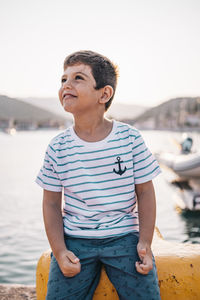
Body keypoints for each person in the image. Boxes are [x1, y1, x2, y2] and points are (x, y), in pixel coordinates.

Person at [36, 50, 161, 300]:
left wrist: (144, 242)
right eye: (63, 80)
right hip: (75, 240)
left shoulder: (130, 139)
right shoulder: (58, 147)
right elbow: (51, 203)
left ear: (104, 94)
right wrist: (59, 251)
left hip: (124, 236)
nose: (66, 85)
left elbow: (145, 192)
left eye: (78, 78)